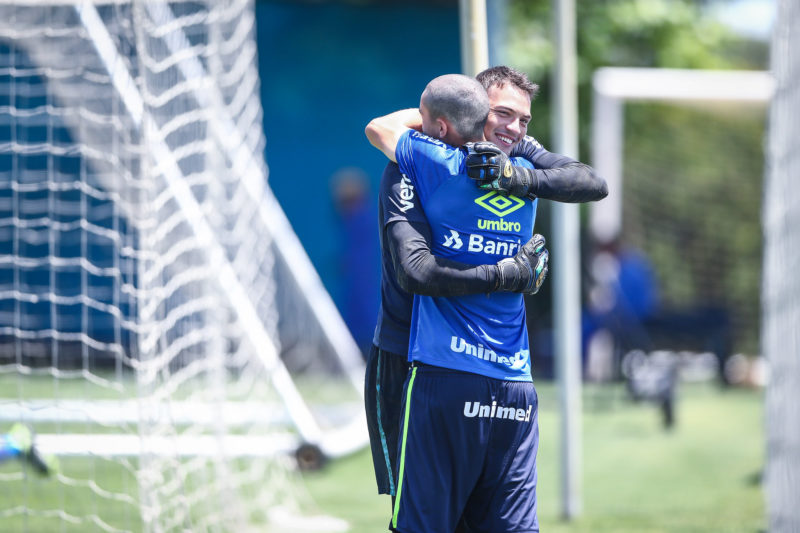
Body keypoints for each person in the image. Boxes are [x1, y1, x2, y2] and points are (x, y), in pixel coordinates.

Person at [363, 64, 607, 516]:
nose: (514, 128)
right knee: (422, 511)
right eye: (502, 114)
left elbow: (591, 183)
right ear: (473, 110)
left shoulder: (521, 160)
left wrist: (519, 178)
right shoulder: (411, 165)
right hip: (406, 358)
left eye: (524, 120)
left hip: (497, 373)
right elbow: (414, 271)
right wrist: (506, 274)